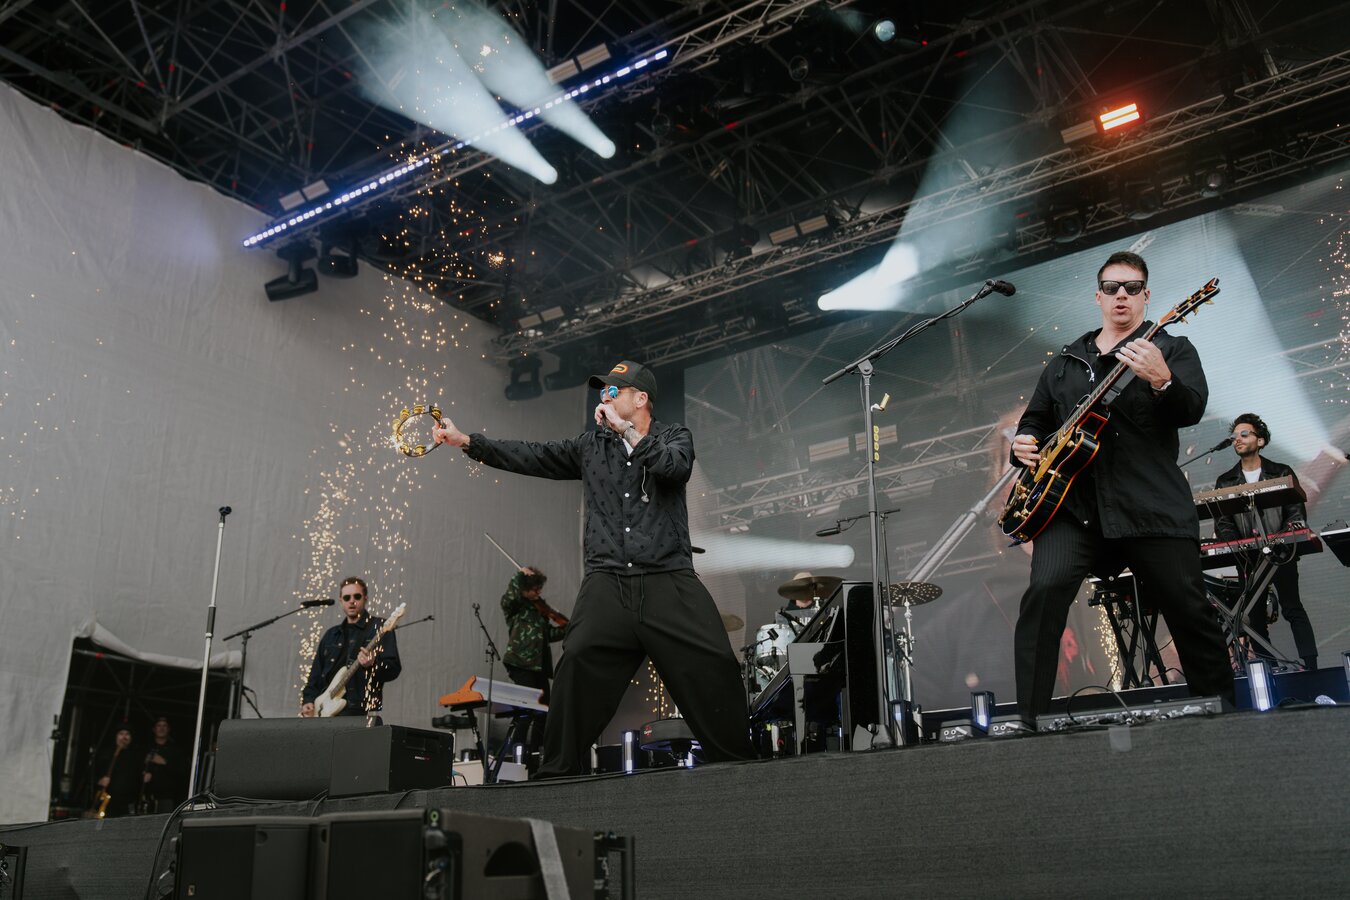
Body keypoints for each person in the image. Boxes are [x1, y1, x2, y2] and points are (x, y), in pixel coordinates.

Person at [433, 359, 755, 776]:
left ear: (640, 399)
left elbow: (674, 468)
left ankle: (742, 771)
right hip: (608, 582)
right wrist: (466, 441)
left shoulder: (674, 436)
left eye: (613, 391)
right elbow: (532, 455)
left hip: (666, 579)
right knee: (576, 664)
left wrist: (628, 433)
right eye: (602, 391)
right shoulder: (590, 446)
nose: (603, 397)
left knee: (715, 665)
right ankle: (556, 774)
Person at [1009, 250, 1234, 719]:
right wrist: (1024, 442)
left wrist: (1163, 381)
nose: (1121, 296)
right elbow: (1036, 418)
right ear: (1098, 296)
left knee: (1189, 609)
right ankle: (1030, 722)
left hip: (1149, 503)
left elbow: (1191, 408)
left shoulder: (1170, 348)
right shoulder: (1065, 362)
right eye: (1112, 288)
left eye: (1132, 288)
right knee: (1043, 595)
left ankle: (1222, 715)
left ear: (1146, 295)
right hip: (1073, 508)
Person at [1213, 413, 1318, 670]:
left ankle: (1311, 666)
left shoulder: (1281, 471)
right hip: (1247, 558)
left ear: (1260, 441)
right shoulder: (1225, 481)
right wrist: (1238, 546)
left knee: (1292, 608)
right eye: (1234, 436)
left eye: (1244, 434)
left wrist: (1284, 538)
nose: (1237, 439)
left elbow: (1295, 513)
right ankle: (1269, 670)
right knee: (1254, 617)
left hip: (1282, 553)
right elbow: (1223, 522)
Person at [300, 576, 402, 716]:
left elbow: (393, 669)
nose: (352, 601)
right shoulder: (331, 634)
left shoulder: (379, 627)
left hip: (359, 710)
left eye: (357, 596)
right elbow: (315, 676)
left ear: (365, 598)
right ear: (341, 600)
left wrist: (372, 664)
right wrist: (308, 700)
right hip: (324, 709)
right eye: (347, 597)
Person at [91, 726, 140, 818]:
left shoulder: (136, 755)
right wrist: (99, 780)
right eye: (121, 734)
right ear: (116, 736)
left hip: (127, 803)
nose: (124, 737)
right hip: (107, 802)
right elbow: (91, 773)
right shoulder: (105, 753)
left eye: (127, 734)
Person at [140, 716, 185, 813]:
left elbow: (182, 771)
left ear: (168, 729)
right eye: (159, 726)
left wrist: (164, 762)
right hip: (146, 796)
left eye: (164, 726)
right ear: (154, 729)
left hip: (167, 797)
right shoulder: (145, 748)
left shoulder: (175, 750)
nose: (161, 728)